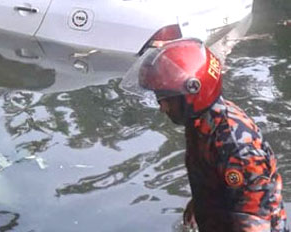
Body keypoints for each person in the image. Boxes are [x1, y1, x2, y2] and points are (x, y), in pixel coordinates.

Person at [121, 39, 287, 232]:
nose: (162, 107)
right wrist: (200, 201)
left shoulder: (237, 149)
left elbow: (254, 223)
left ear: (193, 94)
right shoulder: (199, 121)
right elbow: (213, 174)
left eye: (167, 99)